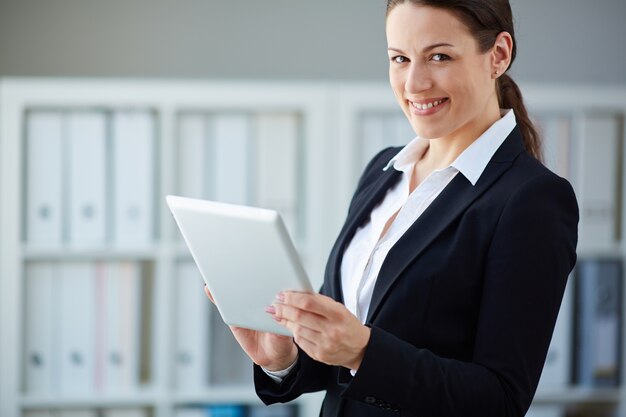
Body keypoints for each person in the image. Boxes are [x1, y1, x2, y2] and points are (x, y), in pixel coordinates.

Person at [205, 1, 579, 416]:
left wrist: (363, 352)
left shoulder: (532, 200)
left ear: (498, 55)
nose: (414, 83)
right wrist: (284, 360)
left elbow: (500, 400)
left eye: (439, 56)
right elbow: (345, 364)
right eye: (400, 59)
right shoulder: (384, 173)